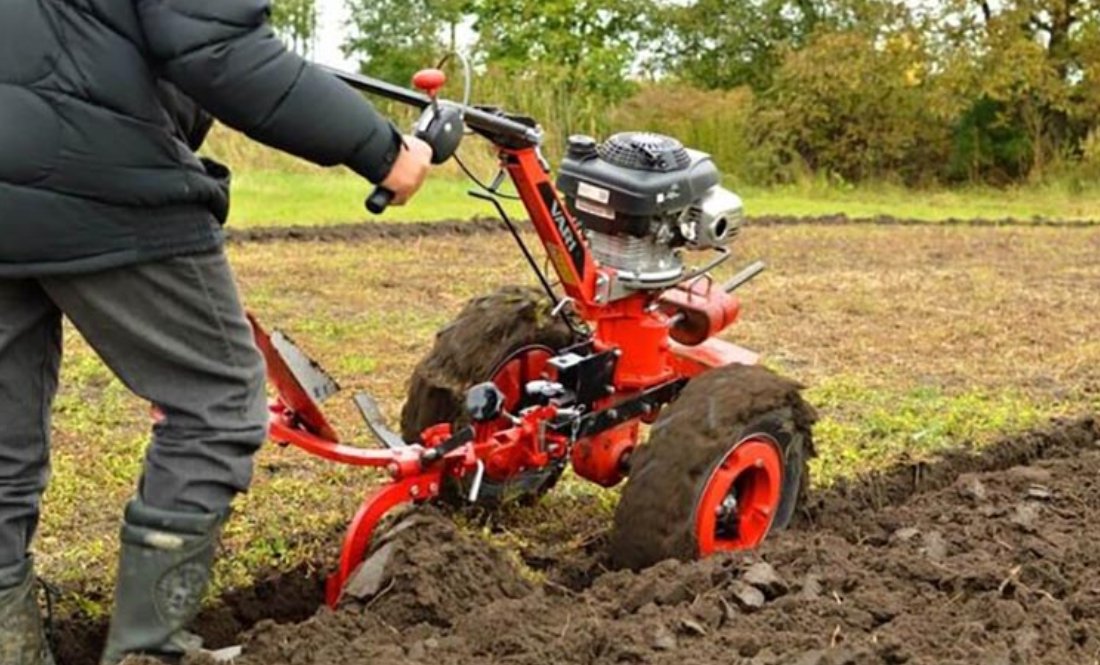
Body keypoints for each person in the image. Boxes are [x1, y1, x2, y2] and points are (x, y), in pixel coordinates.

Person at [0, 1, 433, 663]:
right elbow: (215, 48)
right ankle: (149, 649)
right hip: (90, 164)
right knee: (217, 403)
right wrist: (381, 149)